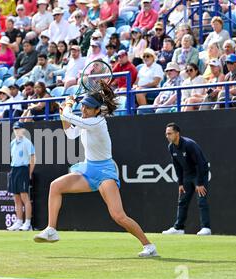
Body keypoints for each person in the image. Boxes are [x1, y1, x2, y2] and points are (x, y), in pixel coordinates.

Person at [33, 84, 158, 258]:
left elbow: (71, 116)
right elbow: (70, 134)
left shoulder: (97, 122)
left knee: (118, 216)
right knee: (55, 186)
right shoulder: (87, 121)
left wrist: (68, 106)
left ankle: (149, 246)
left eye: (89, 107)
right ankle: (51, 229)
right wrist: (64, 114)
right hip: (88, 169)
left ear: (98, 110)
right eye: (83, 105)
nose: (84, 109)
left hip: (105, 173)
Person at [162, 123, 212, 236]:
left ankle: (206, 228)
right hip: (187, 176)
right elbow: (177, 166)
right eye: (166, 134)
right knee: (182, 201)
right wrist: (180, 183)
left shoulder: (189, 145)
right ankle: (178, 228)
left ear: (177, 134)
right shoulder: (171, 147)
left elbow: (201, 163)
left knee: (201, 201)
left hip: (199, 174)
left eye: (169, 133)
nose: (167, 136)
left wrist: (199, 182)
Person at [7, 121, 36, 231]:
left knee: (25, 197)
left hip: (23, 169)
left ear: (23, 130)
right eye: (15, 129)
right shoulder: (13, 143)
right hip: (14, 170)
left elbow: (32, 159)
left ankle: (27, 223)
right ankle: (19, 222)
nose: (16, 131)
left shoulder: (27, 143)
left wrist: (29, 173)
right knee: (16, 198)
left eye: (18, 129)